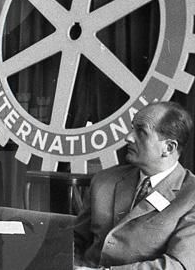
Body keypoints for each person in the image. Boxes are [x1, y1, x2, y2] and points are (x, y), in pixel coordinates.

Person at [74, 101, 195, 269]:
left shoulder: (191, 195)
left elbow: (178, 265)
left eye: (141, 132)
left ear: (168, 147)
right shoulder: (104, 180)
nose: (128, 138)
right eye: (132, 129)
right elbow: (74, 240)